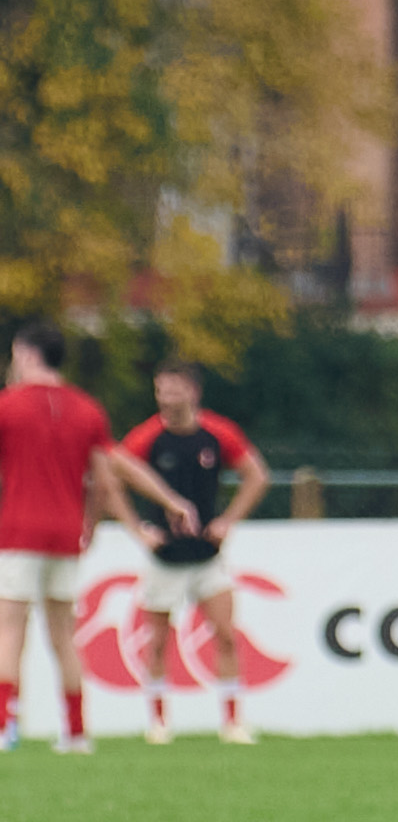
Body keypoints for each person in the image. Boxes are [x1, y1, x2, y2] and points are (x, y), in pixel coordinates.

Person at [0, 322, 195, 753]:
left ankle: (3, 727)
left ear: (27, 354)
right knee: (64, 635)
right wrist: (168, 498)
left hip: (17, 530)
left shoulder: (8, 407)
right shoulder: (87, 409)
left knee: (10, 631)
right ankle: (75, 731)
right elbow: (112, 472)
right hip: (66, 536)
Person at [117, 361, 270, 745]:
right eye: (160, 390)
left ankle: (233, 722)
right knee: (156, 641)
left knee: (226, 635)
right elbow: (111, 479)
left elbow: (257, 475)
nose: (166, 398)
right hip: (164, 556)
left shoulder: (217, 433)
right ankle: (158, 722)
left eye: (173, 390)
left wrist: (228, 520)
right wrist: (138, 530)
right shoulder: (146, 438)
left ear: (193, 392)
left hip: (208, 554)